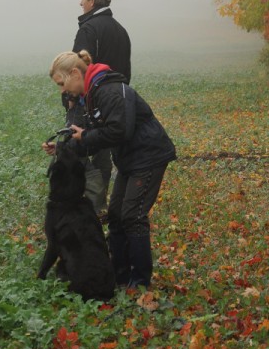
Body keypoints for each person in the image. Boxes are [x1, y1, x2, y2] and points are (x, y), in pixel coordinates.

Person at [43, 50, 176, 289]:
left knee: (132, 216)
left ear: (74, 73)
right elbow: (87, 136)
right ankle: (119, 274)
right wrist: (62, 148)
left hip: (149, 155)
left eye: (61, 84)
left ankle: (140, 283)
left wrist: (86, 136)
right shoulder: (91, 94)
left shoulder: (109, 90)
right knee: (115, 215)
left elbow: (119, 131)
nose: (62, 90)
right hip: (129, 159)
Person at [63, 0, 132, 217]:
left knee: (73, 150)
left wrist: (71, 100)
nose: (80, 3)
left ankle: (84, 203)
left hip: (87, 102)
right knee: (102, 150)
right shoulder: (121, 30)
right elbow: (126, 71)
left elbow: (76, 70)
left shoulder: (88, 29)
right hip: (115, 103)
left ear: (92, 2)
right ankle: (99, 205)